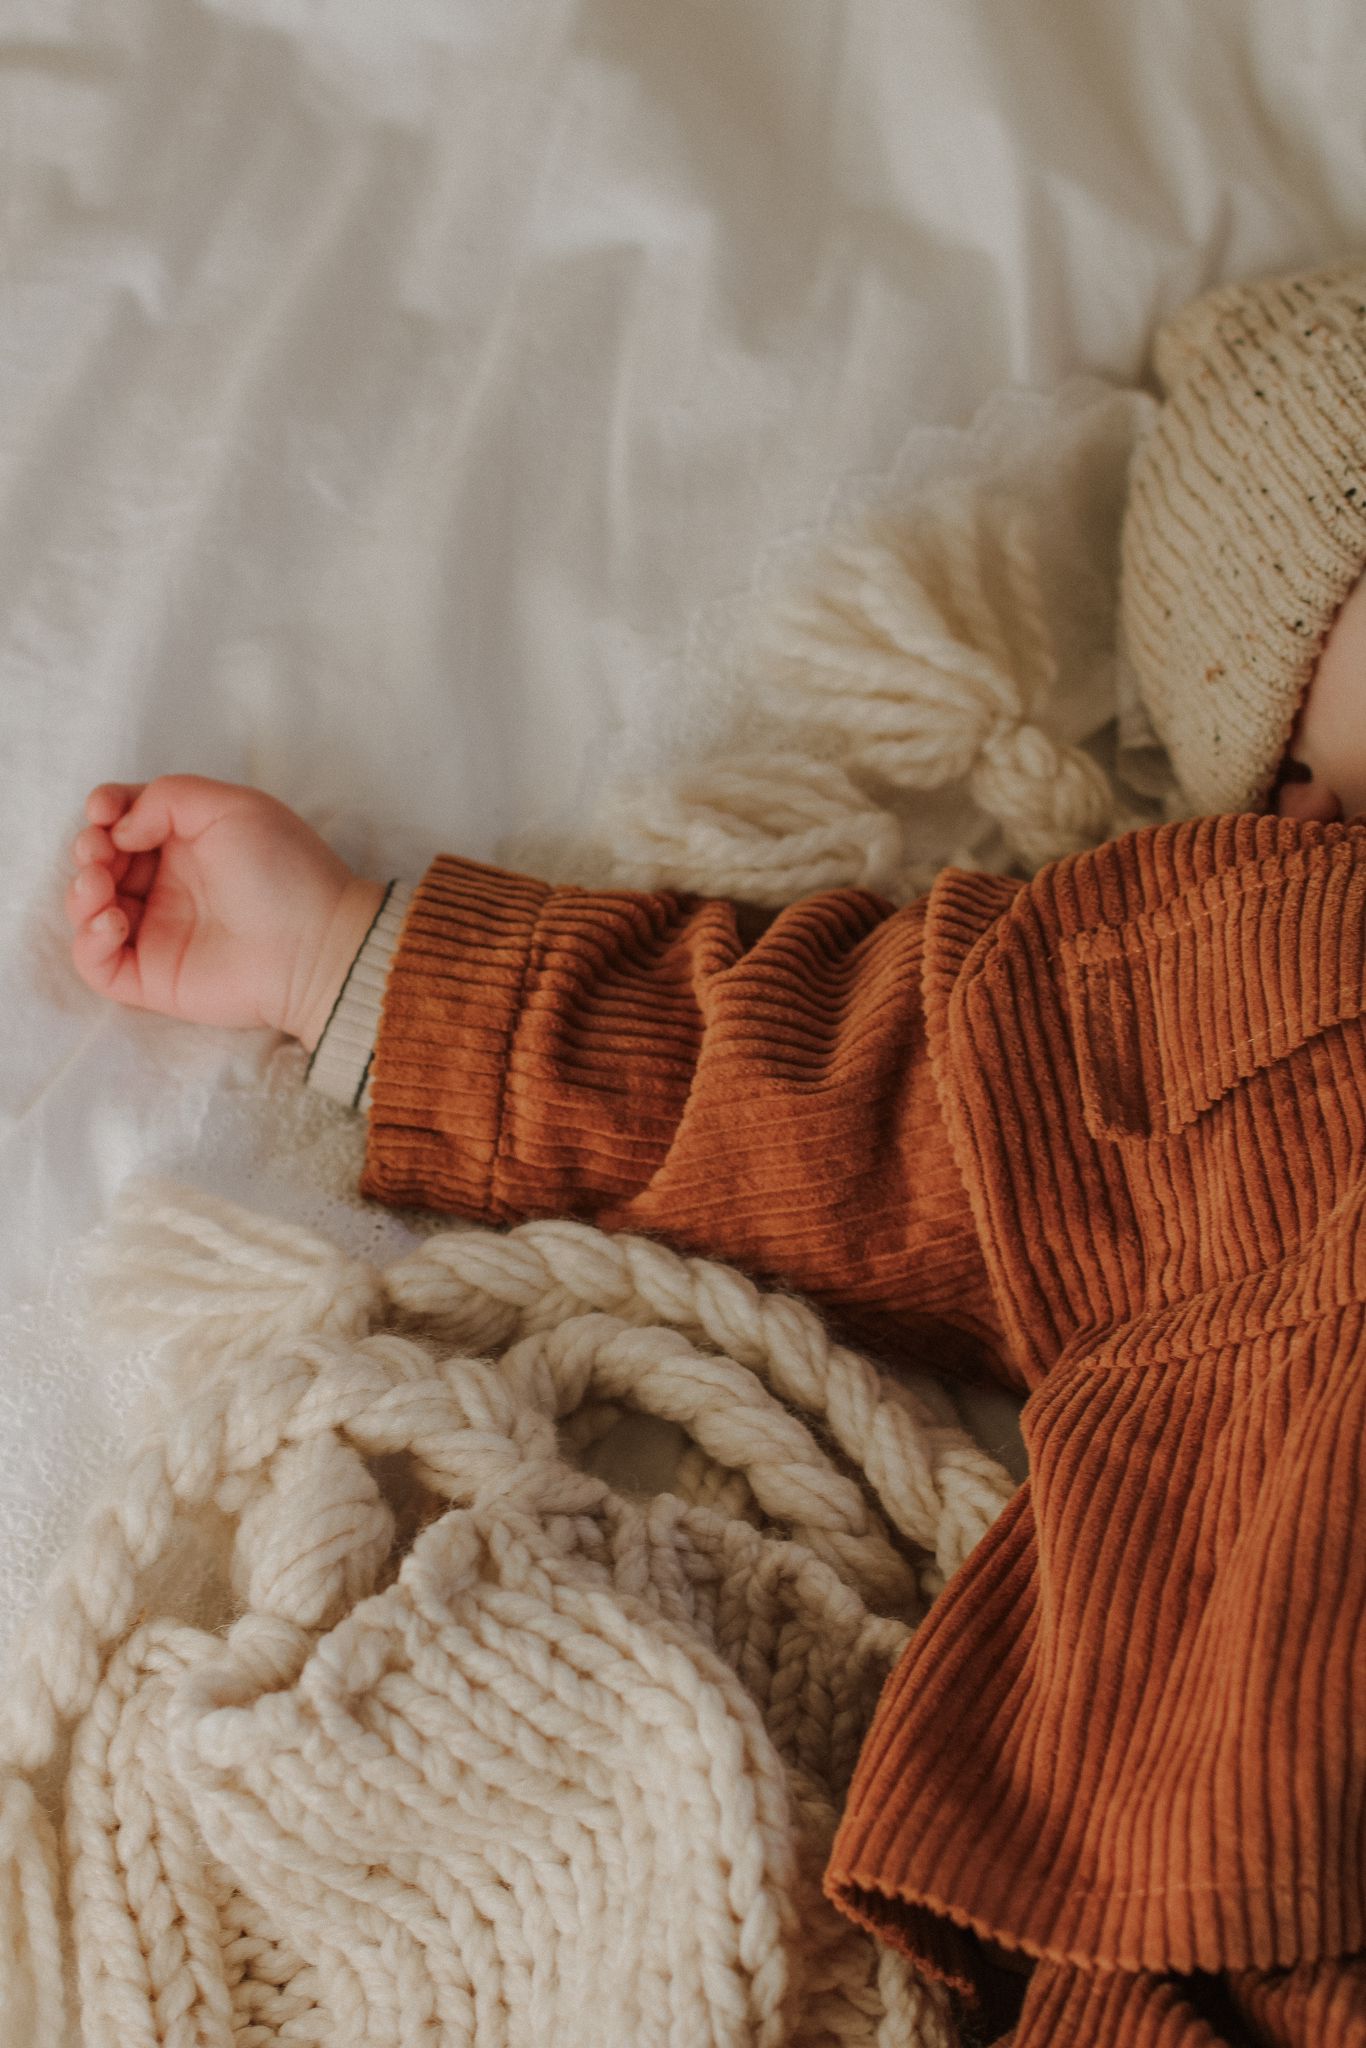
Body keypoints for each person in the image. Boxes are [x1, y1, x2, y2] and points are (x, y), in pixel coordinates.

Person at [61, 265, 1366, 2046]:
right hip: (1270, 1888)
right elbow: (824, 1102)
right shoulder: (1248, 973)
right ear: (1293, 781)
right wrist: (348, 957)